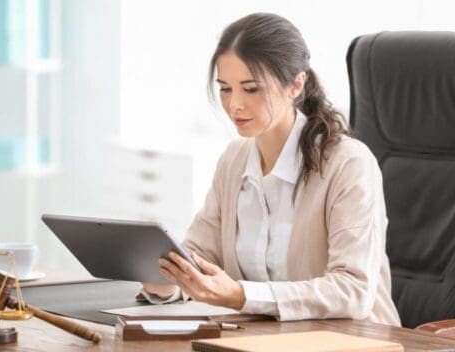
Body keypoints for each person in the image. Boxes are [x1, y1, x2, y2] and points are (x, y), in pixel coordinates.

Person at [141, 13, 401, 326]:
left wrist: (241, 295)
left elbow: (354, 290)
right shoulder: (234, 160)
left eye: (251, 89)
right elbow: (201, 255)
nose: (235, 104)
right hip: (259, 339)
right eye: (225, 88)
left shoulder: (348, 164)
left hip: (352, 342)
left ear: (295, 85)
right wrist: (168, 282)